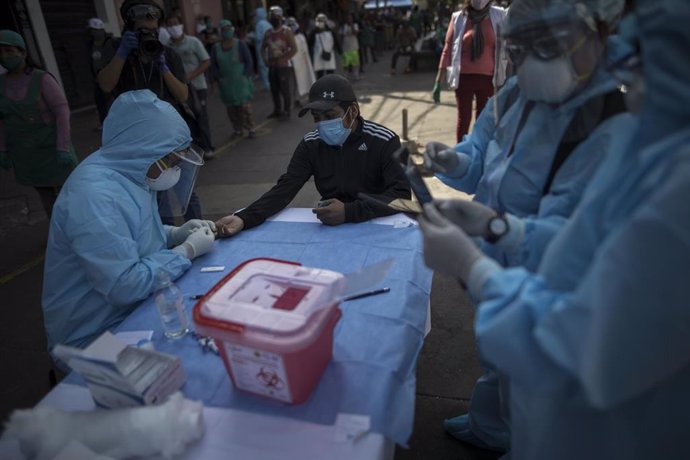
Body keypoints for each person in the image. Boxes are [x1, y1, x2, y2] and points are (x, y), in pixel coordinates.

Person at [418, 0, 690, 457]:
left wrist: (477, 262)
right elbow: (484, 157)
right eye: (523, 47)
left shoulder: (617, 130)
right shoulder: (515, 96)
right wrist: (483, 204)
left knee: (525, 372)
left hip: (546, 303)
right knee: (499, 361)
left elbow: (572, 340)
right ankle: (492, 425)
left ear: (601, 37)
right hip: (511, 267)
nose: (534, 60)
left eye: (551, 44)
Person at [42, 90, 215, 354]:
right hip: (94, 334)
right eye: (171, 160)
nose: (175, 168)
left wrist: (174, 234)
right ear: (143, 149)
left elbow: (136, 234)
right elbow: (124, 284)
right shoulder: (94, 197)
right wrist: (186, 251)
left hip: (133, 307)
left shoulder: (133, 172)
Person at [214, 74, 410, 236]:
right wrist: (244, 217)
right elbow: (285, 189)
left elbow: (401, 196)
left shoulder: (384, 141)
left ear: (353, 111)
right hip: (331, 231)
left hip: (379, 227)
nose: (323, 124)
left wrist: (349, 212)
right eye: (317, 118)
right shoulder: (311, 144)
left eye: (330, 116)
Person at [0, 29, 78, 220]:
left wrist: (63, 147)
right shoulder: (1, 84)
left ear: (23, 53)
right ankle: (57, 234)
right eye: (0, 52)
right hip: (27, 154)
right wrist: (2, 150)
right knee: (45, 195)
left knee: (70, 193)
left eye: (9, 51)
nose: (4, 56)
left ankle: (80, 228)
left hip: (53, 148)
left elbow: (62, 113)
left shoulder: (41, 79)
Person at [433, 0, 508, 141]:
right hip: (464, 78)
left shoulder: (499, 15)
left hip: (488, 79)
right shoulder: (458, 18)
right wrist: (438, 81)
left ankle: (478, 155)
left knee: (483, 120)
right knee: (464, 119)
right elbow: (447, 50)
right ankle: (460, 154)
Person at [97, 0, 188, 106]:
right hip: (131, 118)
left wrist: (164, 68)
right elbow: (105, 86)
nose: (149, 35)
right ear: (130, 30)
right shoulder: (115, 47)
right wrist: (122, 53)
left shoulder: (169, 54)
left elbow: (182, 96)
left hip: (164, 119)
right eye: (143, 30)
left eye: (153, 31)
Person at [165, 14, 215, 160]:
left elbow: (206, 61)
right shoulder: (167, 47)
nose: (173, 27)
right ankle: (194, 149)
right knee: (186, 120)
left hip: (198, 86)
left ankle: (207, 147)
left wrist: (190, 76)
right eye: (170, 24)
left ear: (181, 25)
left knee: (201, 117)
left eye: (175, 23)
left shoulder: (193, 42)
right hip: (179, 90)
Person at [211, 19, 256, 140]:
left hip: (241, 82)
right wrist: (218, 79)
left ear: (232, 30)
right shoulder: (216, 48)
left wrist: (245, 75)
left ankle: (250, 128)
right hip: (226, 84)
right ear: (221, 32)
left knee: (244, 107)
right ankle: (237, 129)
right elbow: (214, 65)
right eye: (224, 30)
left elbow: (248, 62)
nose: (227, 32)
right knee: (231, 109)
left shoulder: (240, 44)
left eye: (229, 29)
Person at [262, 6, 297, 119]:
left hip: (283, 66)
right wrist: (265, 60)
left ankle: (287, 111)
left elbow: (294, 48)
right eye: (271, 16)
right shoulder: (268, 33)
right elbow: (262, 48)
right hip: (272, 66)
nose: (272, 19)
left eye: (274, 17)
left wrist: (285, 57)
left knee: (284, 89)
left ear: (280, 17)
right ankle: (277, 110)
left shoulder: (286, 31)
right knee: (274, 90)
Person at [86, 18, 113, 129]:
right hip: (98, 78)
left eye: (96, 30)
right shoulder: (90, 44)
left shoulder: (110, 42)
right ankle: (104, 123)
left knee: (113, 100)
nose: (94, 33)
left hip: (110, 77)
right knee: (100, 101)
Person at [286, 17, 316, 108]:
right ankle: (296, 99)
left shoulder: (301, 37)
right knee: (296, 82)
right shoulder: (287, 39)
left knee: (307, 78)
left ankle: (309, 96)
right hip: (293, 65)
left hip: (304, 63)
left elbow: (305, 50)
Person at [308, 13, 339, 79]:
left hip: (328, 54)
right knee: (320, 73)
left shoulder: (330, 31)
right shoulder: (314, 32)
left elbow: (336, 41)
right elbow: (310, 43)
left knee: (330, 72)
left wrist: (340, 50)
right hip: (318, 56)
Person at [253, 8, 272, 91]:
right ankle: (271, 83)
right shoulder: (268, 23)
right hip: (269, 47)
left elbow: (257, 37)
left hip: (261, 47)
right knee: (268, 65)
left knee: (263, 66)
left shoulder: (259, 24)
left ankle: (267, 85)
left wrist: (251, 37)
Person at [339, 14, 360, 80]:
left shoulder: (355, 25)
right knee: (345, 64)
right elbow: (340, 36)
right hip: (345, 48)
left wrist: (351, 26)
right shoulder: (343, 27)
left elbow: (355, 33)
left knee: (355, 63)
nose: (349, 20)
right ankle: (345, 76)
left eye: (350, 18)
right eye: (348, 18)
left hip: (354, 47)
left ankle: (356, 75)